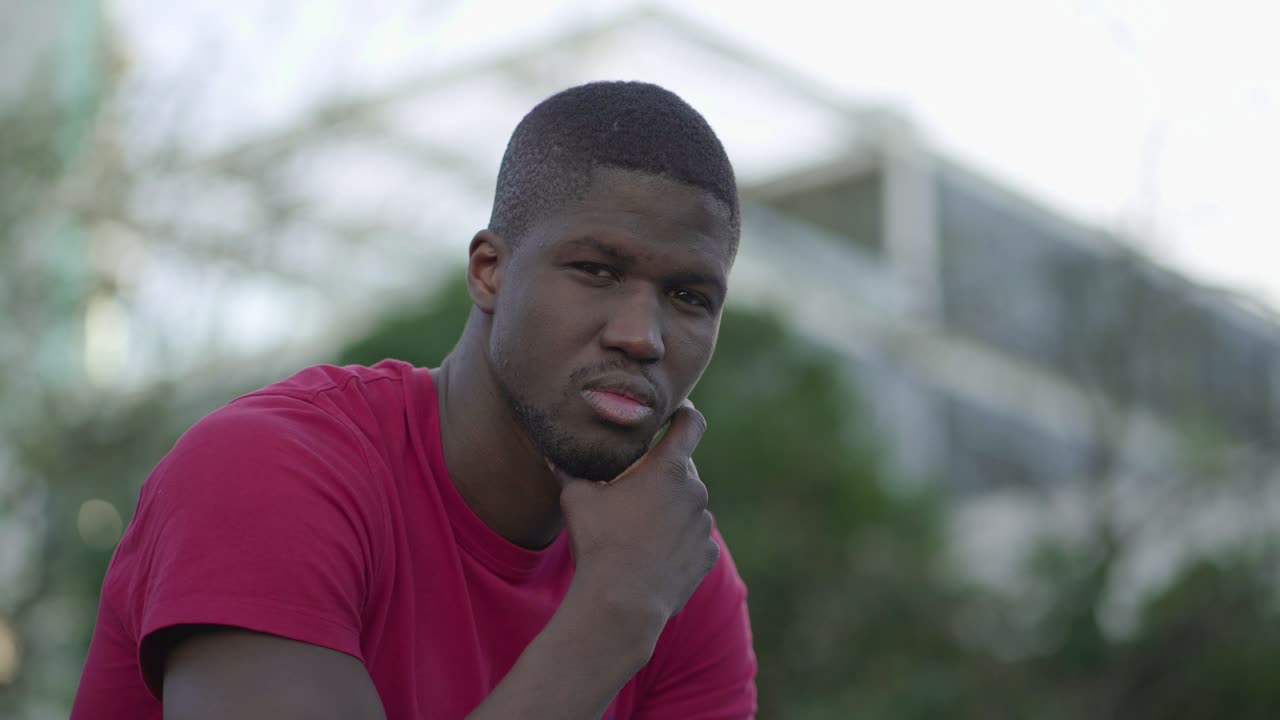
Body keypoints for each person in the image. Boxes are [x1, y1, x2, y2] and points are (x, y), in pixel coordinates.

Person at [71, 80, 757, 719]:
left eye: (690, 298)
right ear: (490, 271)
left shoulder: (676, 567)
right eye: (596, 270)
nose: (642, 337)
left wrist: (637, 591)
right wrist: (616, 612)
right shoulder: (269, 471)